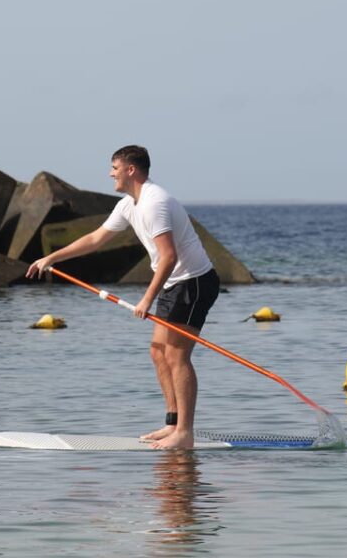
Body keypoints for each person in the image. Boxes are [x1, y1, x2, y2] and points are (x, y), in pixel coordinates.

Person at [26, 145, 219, 449]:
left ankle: (185, 432)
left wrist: (145, 300)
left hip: (194, 282)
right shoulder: (129, 204)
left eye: (114, 167)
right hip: (174, 284)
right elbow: (96, 239)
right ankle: (172, 424)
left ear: (131, 170)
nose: (110, 173)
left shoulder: (155, 203)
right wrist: (52, 258)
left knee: (177, 356)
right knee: (157, 351)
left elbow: (168, 258)